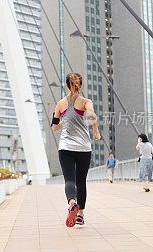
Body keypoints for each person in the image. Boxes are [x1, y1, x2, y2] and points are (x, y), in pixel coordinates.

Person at [51, 72, 101, 227]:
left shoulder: (60, 104)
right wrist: (96, 131)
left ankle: (72, 202)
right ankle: (80, 215)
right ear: (81, 85)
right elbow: (92, 115)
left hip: (65, 147)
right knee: (81, 181)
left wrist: (64, 122)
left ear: (67, 85)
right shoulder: (86, 101)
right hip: (83, 148)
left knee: (70, 180)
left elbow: (54, 127)